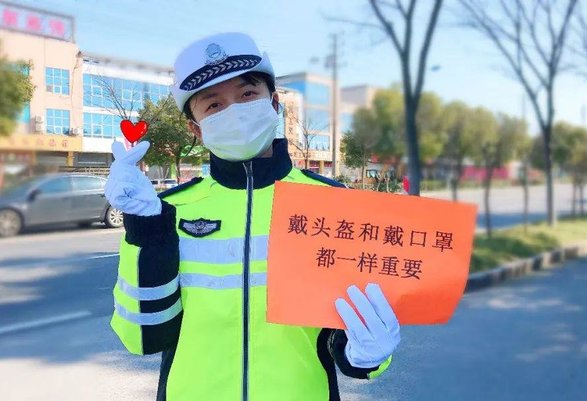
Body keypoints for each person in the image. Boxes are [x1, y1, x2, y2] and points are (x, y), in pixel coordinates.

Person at [105, 32, 401, 401]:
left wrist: (368, 355)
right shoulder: (168, 212)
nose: (234, 111)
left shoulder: (332, 204)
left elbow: (347, 338)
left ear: (274, 104)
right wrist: (145, 231)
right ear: (195, 129)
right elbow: (143, 336)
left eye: (247, 95)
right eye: (213, 105)